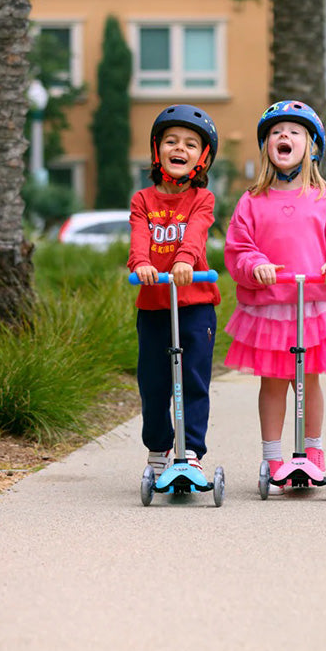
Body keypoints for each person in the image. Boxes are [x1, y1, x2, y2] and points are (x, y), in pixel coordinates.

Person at [223, 101, 326, 488]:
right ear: (267, 145)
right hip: (270, 308)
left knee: (309, 380)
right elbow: (238, 246)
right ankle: (272, 458)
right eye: (277, 132)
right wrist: (255, 266)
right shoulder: (252, 200)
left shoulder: (325, 199)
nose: (285, 137)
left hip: (312, 306)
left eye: (295, 132)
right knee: (272, 382)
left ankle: (312, 452)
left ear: (312, 148)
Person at [127, 104, 221, 478]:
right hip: (153, 306)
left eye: (190, 144)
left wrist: (185, 260)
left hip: (195, 306)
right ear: (157, 150)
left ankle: (192, 451)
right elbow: (139, 237)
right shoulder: (143, 200)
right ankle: (158, 445)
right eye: (171, 141)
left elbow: (197, 229)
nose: (179, 148)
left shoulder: (202, 199)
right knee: (153, 383)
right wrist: (141, 265)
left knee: (194, 380)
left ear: (203, 157)